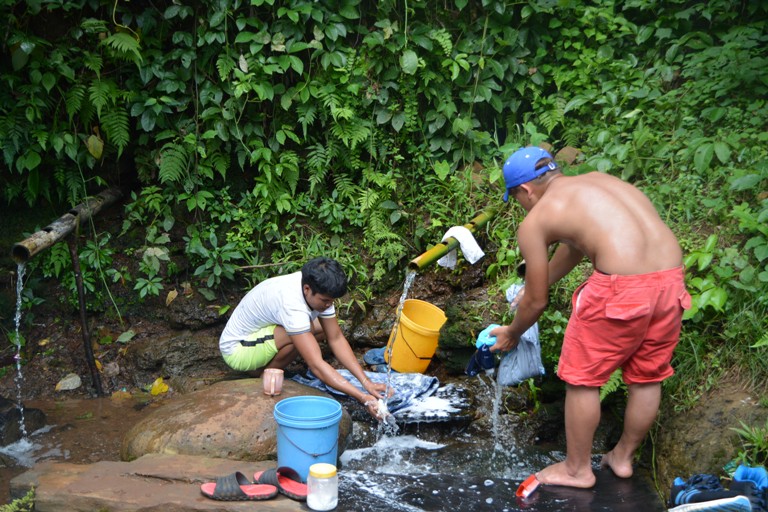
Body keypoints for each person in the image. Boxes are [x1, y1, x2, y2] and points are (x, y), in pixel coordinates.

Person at [490, 146, 690, 488]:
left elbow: (537, 303)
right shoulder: (598, 181)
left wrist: (512, 331)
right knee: (647, 376)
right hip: (670, 281)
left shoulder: (536, 220)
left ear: (525, 190)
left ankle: (576, 470)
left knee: (583, 379)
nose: (522, 207)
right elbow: (575, 245)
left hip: (620, 289)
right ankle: (623, 457)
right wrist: (539, 282)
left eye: (517, 199)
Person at [219, 256, 391, 420]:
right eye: (325, 301)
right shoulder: (292, 303)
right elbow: (316, 364)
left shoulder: (317, 289)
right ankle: (265, 376)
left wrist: (366, 382)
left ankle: (263, 369)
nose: (328, 305)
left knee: (316, 328)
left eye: (332, 301)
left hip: (260, 337)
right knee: (303, 331)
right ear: (307, 289)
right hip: (238, 350)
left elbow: (336, 338)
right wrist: (363, 397)